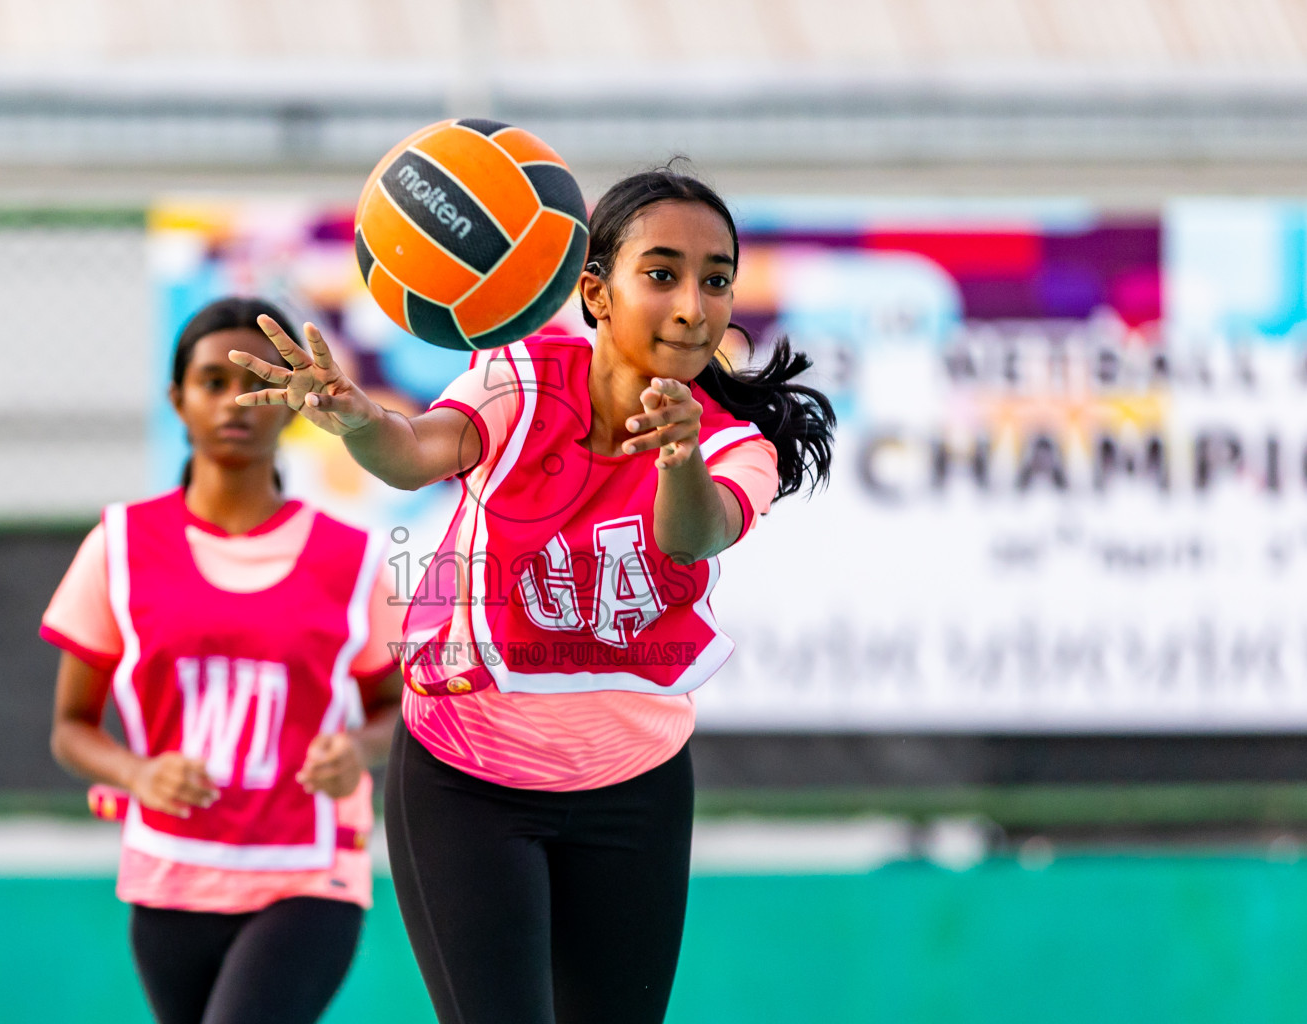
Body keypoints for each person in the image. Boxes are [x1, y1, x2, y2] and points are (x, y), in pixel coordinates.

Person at [230, 169, 834, 1024]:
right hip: (465, 777)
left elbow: (688, 537)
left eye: (716, 278)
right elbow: (414, 451)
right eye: (660, 274)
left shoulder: (736, 447)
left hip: (635, 786)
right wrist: (358, 418)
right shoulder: (520, 379)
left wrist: (678, 457)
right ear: (595, 292)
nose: (694, 304)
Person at [42, 297, 404, 1024]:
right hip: (170, 877)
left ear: (294, 405)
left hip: (309, 874)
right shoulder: (118, 547)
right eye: (212, 381)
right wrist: (138, 772)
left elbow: (398, 713)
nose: (233, 403)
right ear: (178, 400)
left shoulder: (353, 558)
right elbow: (72, 729)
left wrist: (358, 751)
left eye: (256, 383)